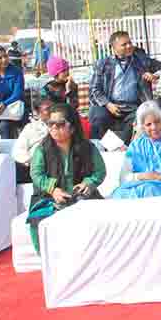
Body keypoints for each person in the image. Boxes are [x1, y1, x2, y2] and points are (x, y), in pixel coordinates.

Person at [26, 103, 106, 252]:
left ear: (72, 127)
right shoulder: (42, 149)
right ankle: (47, 259)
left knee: (99, 219)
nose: (54, 128)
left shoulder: (87, 148)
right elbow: (36, 174)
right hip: (49, 197)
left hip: (82, 195)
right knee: (37, 221)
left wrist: (88, 183)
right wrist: (53, 189)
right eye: (50, 124)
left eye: (60, 124)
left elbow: (100, 171)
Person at [110, 101, 161, 199]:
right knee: (118, 194)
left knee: (149, 189)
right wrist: (143, 176)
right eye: (148, 124)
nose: (154, 127)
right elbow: (123, 178)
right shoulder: (136, 146)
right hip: (138, 187)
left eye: (157, 122)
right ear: (142, 127)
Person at [88, 31, 154, 143]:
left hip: (132, 107)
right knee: (97, 115)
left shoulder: (140, 62)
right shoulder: (103, 64)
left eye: (130, 43)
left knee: (142, 117)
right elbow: (94, 89)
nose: (129, 46)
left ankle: (122, 147)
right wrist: (108, 104)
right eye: (124, 44)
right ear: (114, 48)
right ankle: (99, 148)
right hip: (109, 105)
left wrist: (155, 75)